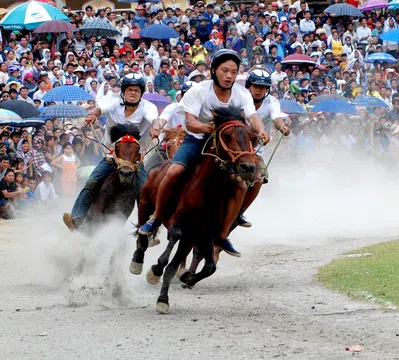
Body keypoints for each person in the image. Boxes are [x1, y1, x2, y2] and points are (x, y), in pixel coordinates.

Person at [138, 49, 270, 257]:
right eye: (225, 70)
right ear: (214, 70)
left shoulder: (242, 94)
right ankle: (155, 217)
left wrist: (261, 131)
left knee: (250, 179)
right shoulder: (198, 91)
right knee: (173, 172)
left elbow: (253, 117)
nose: (229, 76)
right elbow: (190, 122)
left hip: (228, 145)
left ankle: (224, 232)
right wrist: (210, 129)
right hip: (197, 140)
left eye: (234, 72)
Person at [63, 74, 161, 231]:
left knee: (145, 192)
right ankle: (76, 218)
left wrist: (156, 127)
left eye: (136, 90)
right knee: (91, 182)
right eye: (129, 89)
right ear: (123, 91)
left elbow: (154, 119)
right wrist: (92, 114)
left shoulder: (148, 107)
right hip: (112, 154)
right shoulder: (113, 100)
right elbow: (100, 109)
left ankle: (148, 229)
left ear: (141, 92)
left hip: (135, 159)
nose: (133, 93)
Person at [237, 70, 290, 227]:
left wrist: (282, 127)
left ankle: (240, 213)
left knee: (259, 179)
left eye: (264, 87)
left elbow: (276, 117)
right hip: (235, 148)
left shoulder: (272, 102)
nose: (260, 90)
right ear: (249, 86)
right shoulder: (240, 99)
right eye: (256, 86)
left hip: (255, 151)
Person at [144, 81, 196, 174]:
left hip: (192, 147)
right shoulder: (172, 107)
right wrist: (157, 129)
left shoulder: (202, 112)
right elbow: (161, 121)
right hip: (167, 146)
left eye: (193, 95)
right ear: (182, 96)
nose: (190, 98)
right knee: (148, 168)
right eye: (186, 95)